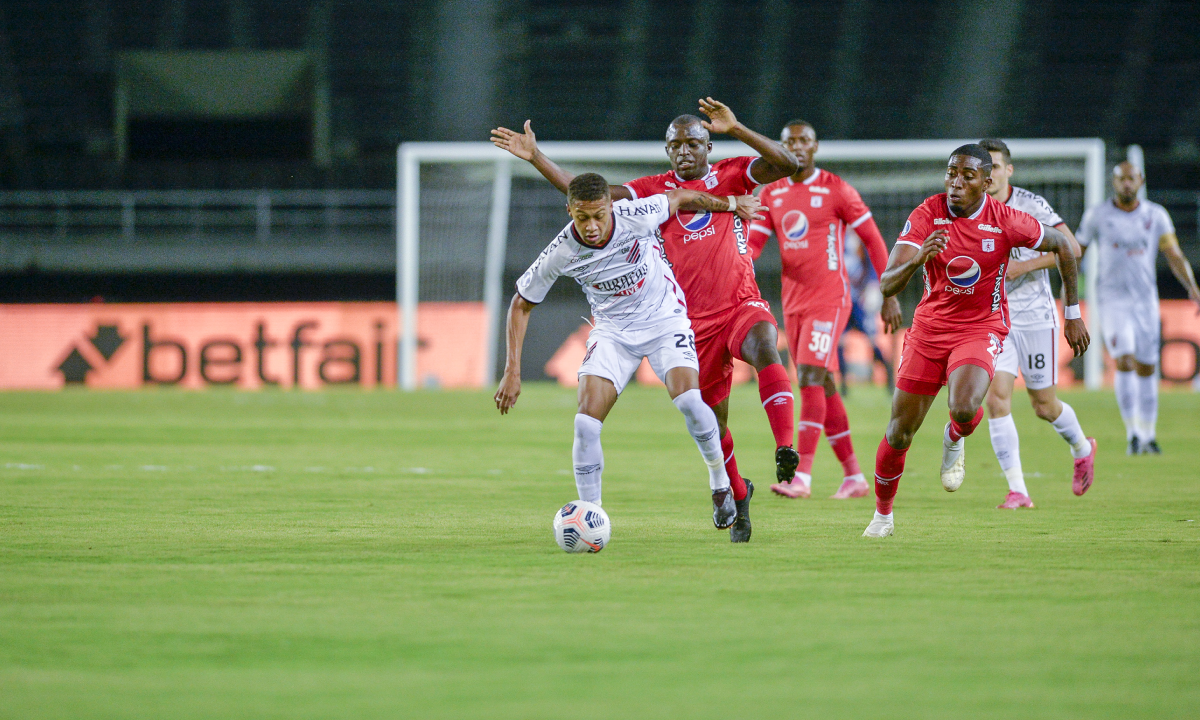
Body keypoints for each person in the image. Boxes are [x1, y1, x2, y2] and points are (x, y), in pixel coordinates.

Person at [492, 98, 800, 543]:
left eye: (693, 143)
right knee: (681, 422)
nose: (684, 152)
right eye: (675, 145)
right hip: (658, 328)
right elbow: (584, 202)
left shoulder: (721, 176)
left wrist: (737, 151)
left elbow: (778, 166)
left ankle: (779, 449)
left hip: (704, 311)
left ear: (708, 144)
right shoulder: (640, 196)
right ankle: (721, 494)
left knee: (751, 358)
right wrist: (537, 157)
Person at [862, 144, 1089, 538]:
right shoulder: (926, 214)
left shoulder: (1006, 220)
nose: (956, 183)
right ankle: (883, 517)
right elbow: (886, 282)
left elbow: (1065, 246)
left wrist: (1071, 313)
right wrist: (918, 259)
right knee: (899, 431)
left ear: (986, 183)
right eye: (951, 174)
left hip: (981, 327)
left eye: (967, 176)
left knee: (966, 407)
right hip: (930, 330)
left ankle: (955, 435)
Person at [748, 119, 900, 500]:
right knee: (823, 383)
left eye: (803, 141)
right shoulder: (773, 193)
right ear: (779, 148)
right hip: (794, 302)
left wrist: (890, 291)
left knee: (813, 375)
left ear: (815, 147)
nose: (796, 147)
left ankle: (803, 477)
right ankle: (854, 477)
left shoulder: (836, 189)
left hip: (830, 298)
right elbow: (753, 245)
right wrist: (737, 275)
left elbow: (873, 239)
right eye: (789, 142)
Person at [977, 138, 1098, 508]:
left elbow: (1073, 248)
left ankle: (1081, 447)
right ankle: (1018, 490)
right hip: (993, 318)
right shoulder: (969, 208)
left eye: (996, 166)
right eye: (984, 168)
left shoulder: (1030, 205)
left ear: (1008, 170)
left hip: (1033, 314)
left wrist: (1025, 265)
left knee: (1044, 406)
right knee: (997, 400)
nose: (990, 174)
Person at [1076, 161, 1200, 455]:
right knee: (1125, 359)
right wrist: (1068, 286)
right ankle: (1132, 432)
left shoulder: (1155, 215)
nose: (1127, 184)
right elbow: (1077, 250)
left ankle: (1148, 434)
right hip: (1112, 299)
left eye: (1131, 179)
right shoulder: (1097, 215)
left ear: (1140, 180)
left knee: (1147, 367)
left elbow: (1173, 254)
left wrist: (1191, 286)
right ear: (1114, 182)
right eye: (1121, 179)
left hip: (1145, 300)